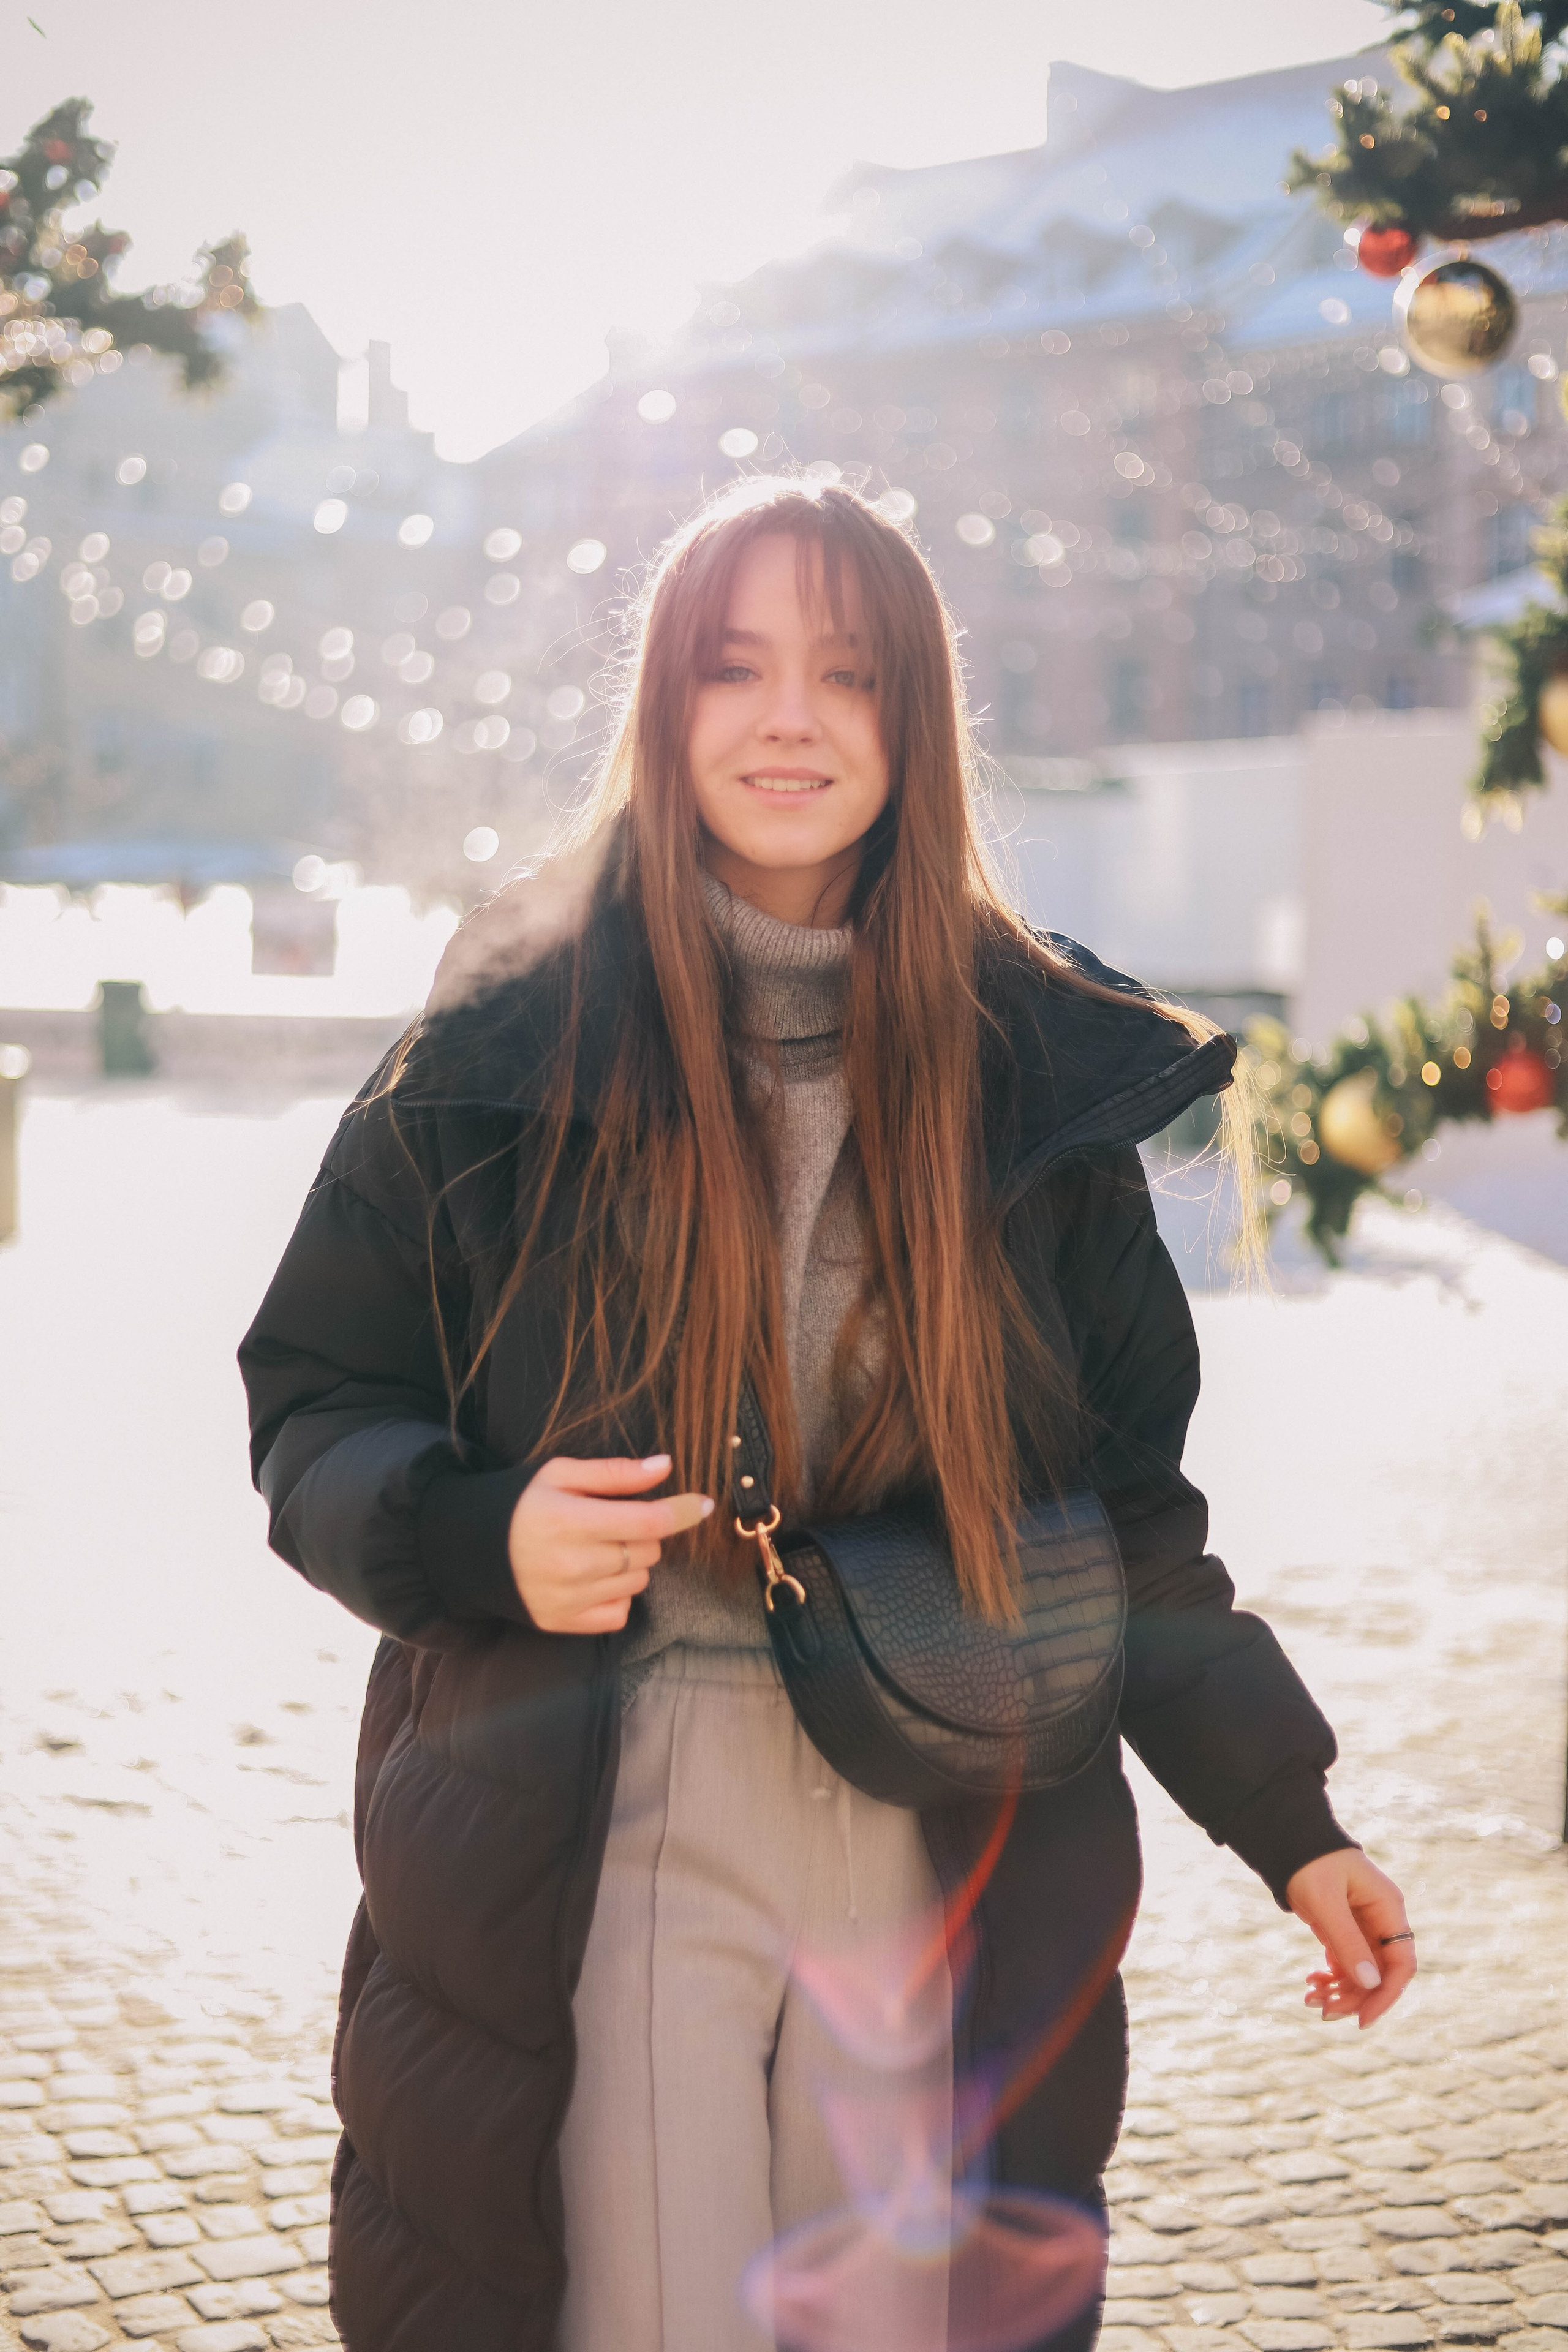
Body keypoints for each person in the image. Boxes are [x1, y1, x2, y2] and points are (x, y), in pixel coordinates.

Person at [239, 477, 1414, 2352]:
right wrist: (483, 1534)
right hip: (607, 1805)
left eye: (847, 674)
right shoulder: (501, 1035)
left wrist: (1293, 1819)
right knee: (641, 2309)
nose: (789, 717)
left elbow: (1127, 1517)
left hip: (940, 1813)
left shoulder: (1034, 1060)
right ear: (667, 706)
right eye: (736, 668)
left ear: (915, 719)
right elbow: (316, 1400)